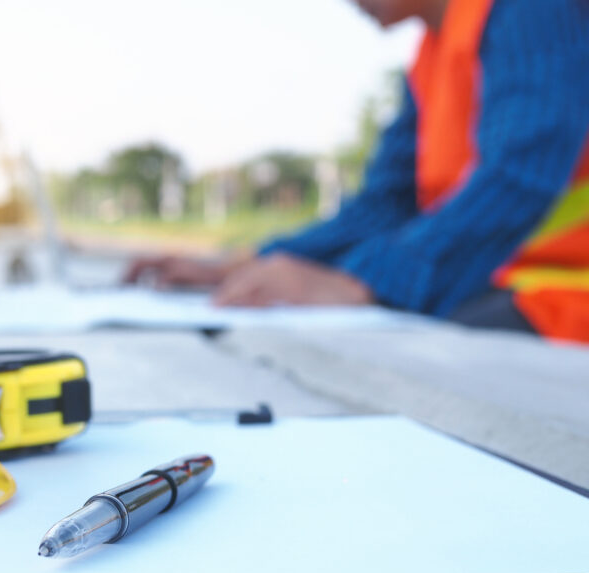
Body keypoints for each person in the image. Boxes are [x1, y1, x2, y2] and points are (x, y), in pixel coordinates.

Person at [124, 0, 589, 343]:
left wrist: (362, 284)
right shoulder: (433, 55)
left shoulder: (534, 11)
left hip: (568, 299)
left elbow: (521, 175)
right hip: (511, 289)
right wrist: (249, 263)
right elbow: (385, 205)